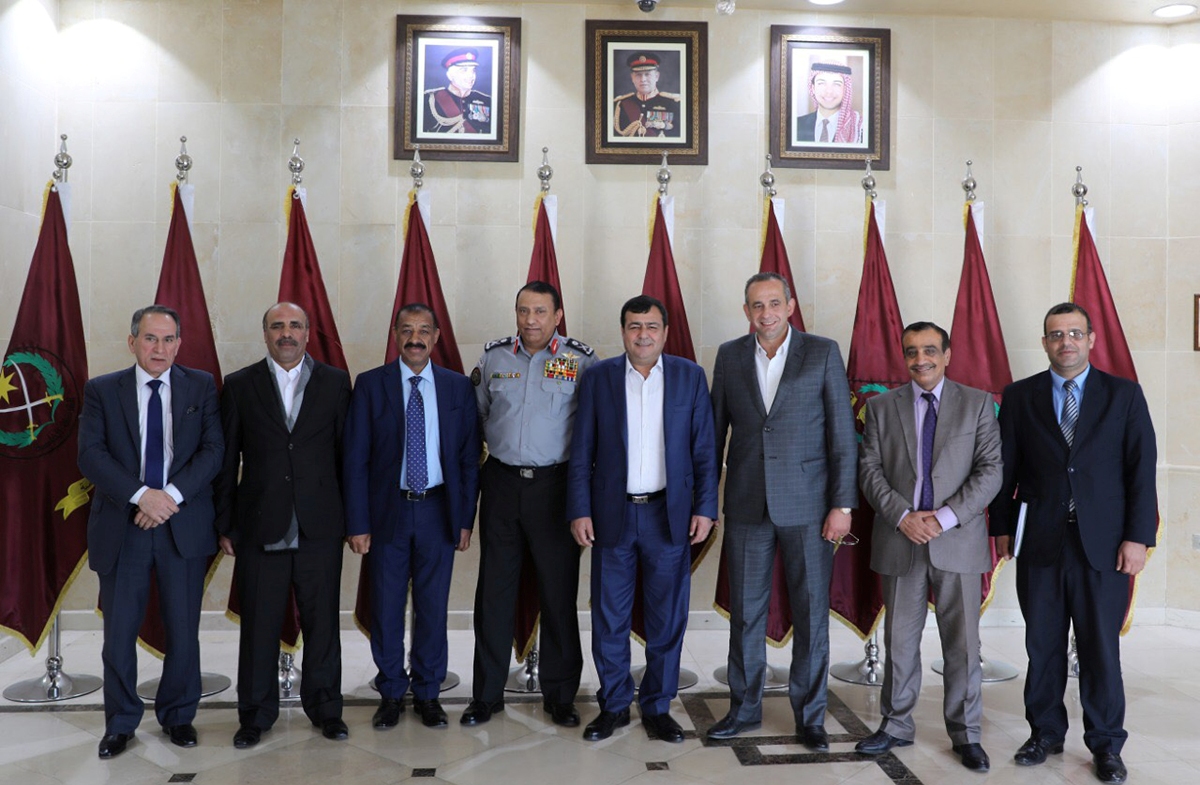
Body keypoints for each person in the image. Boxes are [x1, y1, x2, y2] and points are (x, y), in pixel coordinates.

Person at [990, 303, 1156, 785]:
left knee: (1100, 648)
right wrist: (1001, 526)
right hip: (1040, 541)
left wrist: (1138, 537)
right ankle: (1044, 733)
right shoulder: (1019, 396)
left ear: (1091, 339)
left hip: (1103, 545)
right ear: (1044, 342)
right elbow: (1004, 468)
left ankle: (1106, 744)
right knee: (1042, 645)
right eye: (1056, 334)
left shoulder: (1124, 394)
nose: (1066, 342)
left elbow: (1140, 470)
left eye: (1075, 333)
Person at [707, 273, 857, 750]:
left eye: (774, 303)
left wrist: (842, 505)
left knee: (811, 615)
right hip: (747, 505)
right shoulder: (729, 356)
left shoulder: (822, 352)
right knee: (745, 615)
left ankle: (810, 717)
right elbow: (713, 437)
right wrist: (705, 503)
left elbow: (842, 436)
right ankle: (743, 709)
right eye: (757, 305)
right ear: (746, 311)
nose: (766, 313)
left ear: (790, 307)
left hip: (810, 507)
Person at [567, 295, 718, 744]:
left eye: (652, 326)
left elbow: (705, 451)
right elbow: (582, 451)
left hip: (668, 516)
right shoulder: (599, 378)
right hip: (611, 516)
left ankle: (657, 706)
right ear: (623, 332)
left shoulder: (690, 377)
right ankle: (614, 705)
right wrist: (580, 509)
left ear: (665, 332)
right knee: (609, 617)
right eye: (634, 326)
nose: (643, 334)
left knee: (667, 618)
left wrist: (705, 508)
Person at [855, 321, 1002, 772]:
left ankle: (966, 734)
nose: (921, 359)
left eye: (930, 350)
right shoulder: (880, 407)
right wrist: (903, 516)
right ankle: (896, 724)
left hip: (956, 538)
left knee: (962, 643)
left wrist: (944, 517)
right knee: (899, 640)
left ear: (947, 354)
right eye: (912, 351)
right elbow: (869, 470)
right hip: (900, 538)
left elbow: (990, 470)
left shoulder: (978, 404)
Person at [77, 305, 223, 759]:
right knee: (119, 634)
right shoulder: (102, 390)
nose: (159, 348)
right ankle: (120, 722)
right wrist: (143, 496)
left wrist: (168, 498)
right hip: (124, 528)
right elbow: (91, 455)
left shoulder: (201, 385)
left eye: (168, 339)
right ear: (132, 341)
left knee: (183, 630)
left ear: (179, 343)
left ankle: (178, 716)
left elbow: (213, 451)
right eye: (150, 338)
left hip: (182, 526)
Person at [214, 302, 352, 749]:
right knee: (259, 626)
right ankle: (255, 715)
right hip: (259, 525)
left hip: (320, 526)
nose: (286, 333)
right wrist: (225, 523)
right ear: (265, 333)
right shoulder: (239, 385)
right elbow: (226, 461)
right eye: (277, 326)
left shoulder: (335, 382)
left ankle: (327, 710)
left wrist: (352, 521)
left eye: (295, 325)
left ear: (308, 333)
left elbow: (347, 457)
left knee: (323, 624)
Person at [463, 282, 597, 728]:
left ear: (558, 316)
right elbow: (479, 415)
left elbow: (592, 429)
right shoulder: (494, 357)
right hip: (501, 485)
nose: (530, 320)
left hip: (555, 489)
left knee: (558, 595)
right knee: (494, 594)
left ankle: (560, 696)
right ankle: (485, 696)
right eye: (523, 310)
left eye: (540, 311)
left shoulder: (580, 360)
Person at [343, 303, 481, 730]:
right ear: (395, 335)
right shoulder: (371, 385)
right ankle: (390, 691)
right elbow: (355, 459)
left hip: (439, 511)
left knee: (433, 607)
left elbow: (468, 460)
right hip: (389, 512)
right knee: (386, 607)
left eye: (423, 330)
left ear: (437, 336)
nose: (415, 338)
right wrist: (358, 523)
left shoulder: (458, 387)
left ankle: (427, 692)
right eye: (407, 330)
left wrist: (465, 520)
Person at [613, 52, 682, 138]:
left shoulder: (675, 104)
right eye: (638, 75)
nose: (643, 79)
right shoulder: (620, 105)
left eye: (647, 74)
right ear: (632, 78)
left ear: (656, 76)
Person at [423, 47, 491, 134]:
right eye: (464, 70)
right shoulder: (430, 100)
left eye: (473, 70)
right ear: (450, 75)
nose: (471, 75)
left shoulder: (487, 101)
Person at [793, 60, 862, 145]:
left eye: (837, 84)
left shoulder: (859, 128)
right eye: (821, 83)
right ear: (813, 88)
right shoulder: (795, 125)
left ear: (845, 90)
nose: (829, 91)